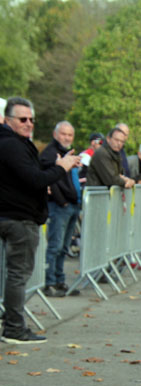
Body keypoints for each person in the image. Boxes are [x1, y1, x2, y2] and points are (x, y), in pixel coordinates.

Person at [0, 97, 80, 343]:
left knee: (14, 274)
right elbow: (33, 178)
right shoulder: (11, 144)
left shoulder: (15, 143)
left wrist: (44, 179)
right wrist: (62, 167)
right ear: (8, 119)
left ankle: (12, 324)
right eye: (22, 119)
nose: (28, 124)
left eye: (32, 120)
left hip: (16, 214)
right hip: (18, 219)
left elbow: (25, 179)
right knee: (18, 274)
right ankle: (13, 327)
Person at [40, 121, 82, 297]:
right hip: (59, 206)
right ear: (55, 134)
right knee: (55, 246)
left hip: (71, 205)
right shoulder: (50, 154)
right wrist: (61, 200)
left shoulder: (67, 153)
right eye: (63, 134)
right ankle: (49, 282)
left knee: (64, 247)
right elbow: (50, 178)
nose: (67, 138)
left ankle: (59, 280)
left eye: (70, 135)